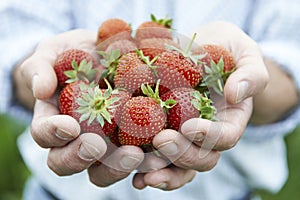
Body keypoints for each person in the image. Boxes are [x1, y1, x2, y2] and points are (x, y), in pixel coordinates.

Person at [1, 0, 300, 199]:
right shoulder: (121, 78)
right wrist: (46, 77)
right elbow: (14, 39)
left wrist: (235, 81)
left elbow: (293, 65)